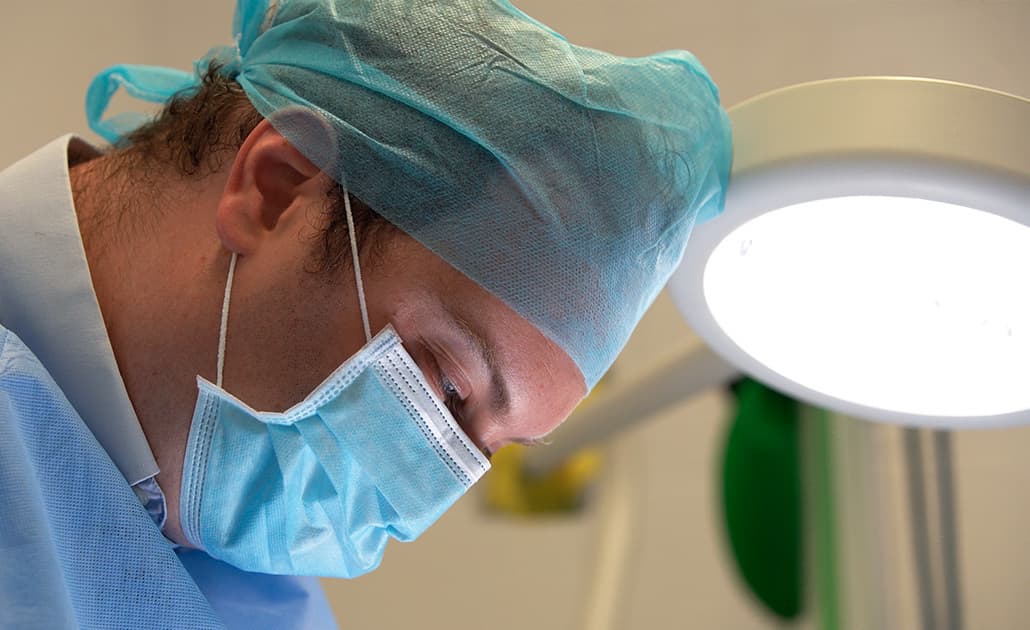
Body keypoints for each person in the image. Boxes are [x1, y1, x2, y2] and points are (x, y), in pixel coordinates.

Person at [0, 0, 732, 628]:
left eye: (488, 451)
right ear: (277, 189)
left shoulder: (256, 593)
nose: (414, 510)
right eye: (447, 386)